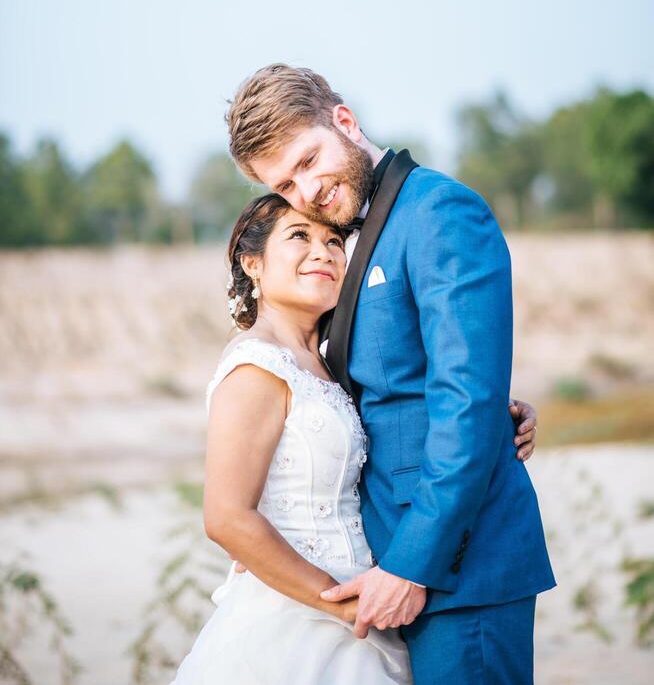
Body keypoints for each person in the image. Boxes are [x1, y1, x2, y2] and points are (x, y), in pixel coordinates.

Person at [219, 63, 556, 684]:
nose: (306, 189)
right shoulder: (352, 241)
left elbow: (464, 401)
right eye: (286, 185)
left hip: (459, 568)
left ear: (344, 121)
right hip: (387, 567)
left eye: (309, 160)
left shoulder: (438, 211)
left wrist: (414, 566)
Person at [171, 192, 539, 683]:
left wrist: (496, 412)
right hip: (306, 616)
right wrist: (339, 604)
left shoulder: (331, 361)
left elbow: (401, 421)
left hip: (373, 596)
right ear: (252, 263)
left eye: (333, 240)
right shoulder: (256, 368)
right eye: (299, 236)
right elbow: (226, 518)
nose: (323, 251)